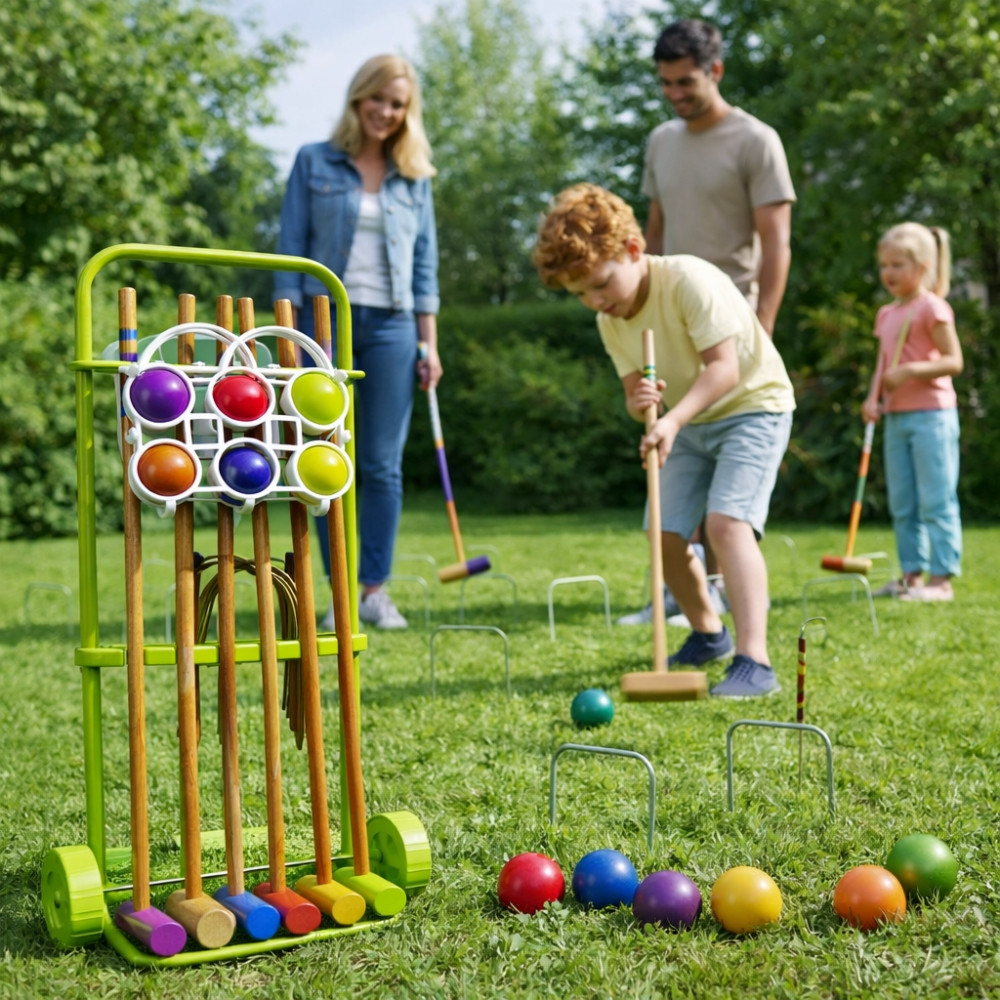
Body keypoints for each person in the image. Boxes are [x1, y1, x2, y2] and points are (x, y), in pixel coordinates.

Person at [533, 183, 795, 698]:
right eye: (580, 293)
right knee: (665, 533)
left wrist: (671, 422)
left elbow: (724, 369)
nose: (595, 302)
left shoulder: (690, 280)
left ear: (633, 251)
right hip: (687, 421)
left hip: (753, 407)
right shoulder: (612, 322)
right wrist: (645, 407)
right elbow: (635, 397)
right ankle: (708, 634)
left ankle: (755, 661)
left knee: (726, 522)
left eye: (600, 284)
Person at [616, 18, 796, 625]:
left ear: (715, 71)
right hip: (672, 321)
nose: (674, 94)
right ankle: (681, 595)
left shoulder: (755, 140)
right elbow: (655, 233)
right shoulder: (662, 142)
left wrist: (763, 322)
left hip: (733, 319)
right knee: (681, 449)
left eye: (685, 81)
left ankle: (716, 594)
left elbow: (777, 243)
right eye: (665, 83)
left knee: (726, 480)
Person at [274, 54, 442, 630]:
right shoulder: (313, 161)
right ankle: (338, 592)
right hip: (324, 324)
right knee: (326, 460)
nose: (387, 113)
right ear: (358, 98)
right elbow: (290, 252)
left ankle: (374, 590)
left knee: (381, 464)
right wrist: (289, 334)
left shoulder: (415, 178)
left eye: (398, 105)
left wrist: (429, 343)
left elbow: (425, 266)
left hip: (393, 326)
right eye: (379, 100)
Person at [861, 223, 963, 602]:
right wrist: (874, 399)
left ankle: (942, 580)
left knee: (935, 498)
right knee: (902, 501)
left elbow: (954, 361)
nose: (888, 273)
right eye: (884, 265)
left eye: (897, 265)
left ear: (921, 267)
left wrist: (912, 371)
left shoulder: (932, 309)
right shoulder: (887, 313)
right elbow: (882, 363)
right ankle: (910, 574)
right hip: (897, 416)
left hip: (932, 416)